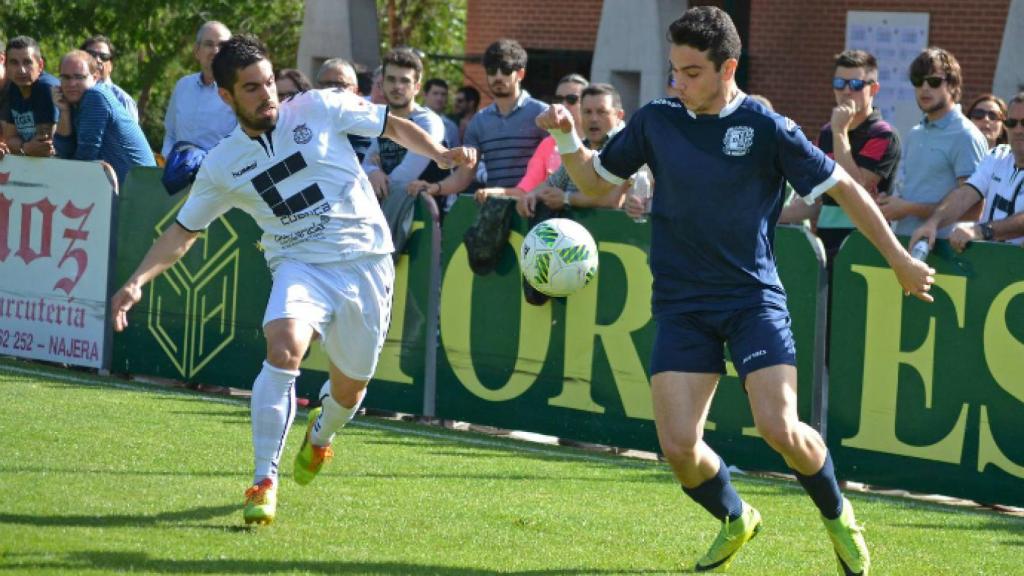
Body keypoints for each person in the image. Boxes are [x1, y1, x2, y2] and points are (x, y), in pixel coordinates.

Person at [536, 7, 933, 573]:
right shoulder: (656, 120)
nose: (678, 82)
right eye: (674, 69)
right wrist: (568, 138)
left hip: (752, 302)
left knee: (780, 428)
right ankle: (736, 517)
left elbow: (845, 188)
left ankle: (838, 514)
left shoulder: (769, 128)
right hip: (682, 307)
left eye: (692, 72)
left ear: (729, 68)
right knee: (678, 449)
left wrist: (897, 259)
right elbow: (596, 181)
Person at [109, 34, 475, 526]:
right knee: (283, 348)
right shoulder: (221, 165)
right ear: (227, 96)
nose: (267, 96)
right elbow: (183, 231)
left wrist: (443, 153)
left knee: (350, 389)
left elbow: (393, 126)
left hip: (365, 261)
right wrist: (137, 281)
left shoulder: (320, 106)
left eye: (268, 83)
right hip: (299, 266)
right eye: (252, 88)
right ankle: (264, 479)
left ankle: (321, 435)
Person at [785, 50, 902, 268]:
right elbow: (817, 199)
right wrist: (765, 216)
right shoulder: (827, 133)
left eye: (856, 85)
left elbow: (856, 188)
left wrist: (840, 131)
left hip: (865, 245)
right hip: (825, 245)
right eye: (839, 83)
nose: (846, 91)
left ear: (873, 89)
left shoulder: (883, 134)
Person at [879, 47, 987, 239]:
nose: (925, 88)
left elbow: (974, 211)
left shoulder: (966, 135)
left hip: (947, 255)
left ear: (953, 86)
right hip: (906, 246)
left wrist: (907, 208)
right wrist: (891, 204)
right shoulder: (915, 134)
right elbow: (916, 194)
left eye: (934, 81)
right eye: (918, 81)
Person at [910, 92, 1024, 251]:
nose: (1018, 130)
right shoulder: (997, 156)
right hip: (993, 264)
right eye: (1012, 122)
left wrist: (981, 231)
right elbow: (965, 194)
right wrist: (933, 223)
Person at [476, 73, 588, 202]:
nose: (563, 105)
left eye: (572, 99)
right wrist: (494, 192)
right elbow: (525, 190)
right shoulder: (548, 144)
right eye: (558, 99)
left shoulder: (598, 143)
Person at [52, 50, 156, 187]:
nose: (72, 84)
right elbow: (65, 151)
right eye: (66, 77)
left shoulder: (95, 96)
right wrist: (64, 111)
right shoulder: (75, 101)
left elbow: (85, 158)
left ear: (95, 77)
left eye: (79, 77)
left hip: (139, 192)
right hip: (122, 190)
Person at [161, 21, 236, 158]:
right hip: (179, 174)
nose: (215, 51)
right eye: (209, 44)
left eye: (222, 45)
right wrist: (169, 159)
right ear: (197, 51)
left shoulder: (238, 90)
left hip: (221, 175)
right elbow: (170, 133)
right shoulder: (183, 86)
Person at [3, 36, 58, 157]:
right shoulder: (14, 87)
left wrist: (22, 147)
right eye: (14, 63)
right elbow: (10, 139)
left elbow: (44, 147)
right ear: (6, 65)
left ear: (40, 65)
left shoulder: (46, 88)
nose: (21, 70)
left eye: (27, 62)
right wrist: (25, 147)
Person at [317, 58, 371, 162]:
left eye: (340, 85)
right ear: (318, 87)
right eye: (327, 84)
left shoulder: (363, 122)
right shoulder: (306, 119)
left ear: (354, 90)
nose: (332, 89)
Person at [80, 35, 138, 122]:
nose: (98, 60)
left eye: (104, 57)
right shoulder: (72, 92)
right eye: (91, 54)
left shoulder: (123, 100)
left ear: (111, 66)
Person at [422, 77, 461, 147]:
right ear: (425, 95)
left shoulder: (451, 127)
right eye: (435, 93)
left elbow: (456, 156)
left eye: (443, 94)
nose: (439, 98)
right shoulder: (412, 119)